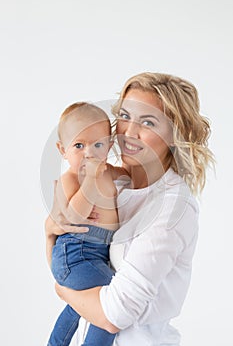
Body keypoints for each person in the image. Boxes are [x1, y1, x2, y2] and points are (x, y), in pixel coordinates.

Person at [45, 72, 214, 346]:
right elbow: (72, 264)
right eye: (124, 116)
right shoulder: (115, 184)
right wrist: (49, 233)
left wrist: (62, 290)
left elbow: (114, 316)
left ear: (173, 134)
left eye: (147, 122)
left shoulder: (173, 208)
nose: (128, 132)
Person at [46, 102, 128, 346]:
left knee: (79, 307)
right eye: (79, 145)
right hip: (76, 253)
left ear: (109, 147)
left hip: (94, 255)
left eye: (98, 145)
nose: (89, 153)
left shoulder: (109, 172)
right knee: (111, 303)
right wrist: (91, 180)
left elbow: (132, 177)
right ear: (63, 150)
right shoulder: (69, 179)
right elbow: (73, 217)